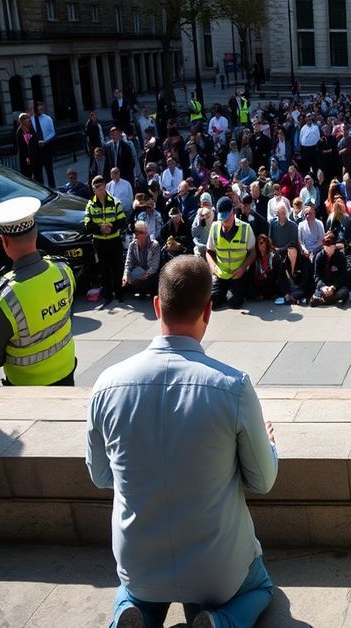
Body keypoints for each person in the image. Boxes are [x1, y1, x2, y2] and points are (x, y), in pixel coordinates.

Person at [87, 256, 279, 628]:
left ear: (157, 305)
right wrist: (269, 446)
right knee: (262, 589)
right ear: (208, 310)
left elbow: (99, 476)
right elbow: (263, 481)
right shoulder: (233, 387)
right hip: (217, 570)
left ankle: (131, 614)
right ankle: (218, 622)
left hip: (138, 562)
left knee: (135, 591)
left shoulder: (106, 385)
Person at [0, 198, 75, 386]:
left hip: (27, 387)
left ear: (4, 241)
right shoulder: (64, 271)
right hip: (67, 371)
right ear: (36, 233)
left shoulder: (5, 298)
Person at [84, 175, 128, 307]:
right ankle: (108, 296)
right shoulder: (90, 205)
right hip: (100, 242)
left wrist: (111, 228)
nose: (100, 190)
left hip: (114, 240)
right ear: (93, 189)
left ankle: (119, 293)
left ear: (105, 186)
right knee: (104, 269)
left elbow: (122, 220)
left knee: (117, 267)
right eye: (96, 188)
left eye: (101, 187)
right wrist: (100, 229)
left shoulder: (115, 202)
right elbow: (87, 224)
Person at [206, 197, 255, 309]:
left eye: (226, 219)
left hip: (238, 274)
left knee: (235, 304)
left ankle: (232, 292)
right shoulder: (214, 227)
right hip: (220, 274)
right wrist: (213, 267)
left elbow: (253, 252)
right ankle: (223, 292)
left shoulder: (245, 228)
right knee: (212, 304)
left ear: (232, 213)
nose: (224, 222)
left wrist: (243, 268)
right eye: (221, 219)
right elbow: (209, 251)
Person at [123, 220, 161, 297]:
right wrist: (125, 275)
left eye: (139, 233)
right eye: (135, 233)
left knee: (154, 278)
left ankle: (141, 289)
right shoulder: (132, 245)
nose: (136, 235)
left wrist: (144, 275)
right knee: (123, 275)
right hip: (137, 272)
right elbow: (128, 263)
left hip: (148, 275)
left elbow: (154, 267)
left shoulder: (155, 245)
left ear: (146, 234)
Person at [310, 232, 350, 305]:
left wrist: (333, 287)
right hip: (323, 285)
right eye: (326, 247)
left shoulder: (341, 257)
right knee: (315, 296)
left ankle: (325, 300)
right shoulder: (319, 256)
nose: (328, 250)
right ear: (323, 247)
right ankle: (327, 299)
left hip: (336, 286)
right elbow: (316, 275)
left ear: (334, 246)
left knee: (343, 291)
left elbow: (343, 275)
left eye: (330, 247)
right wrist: (323, 287)